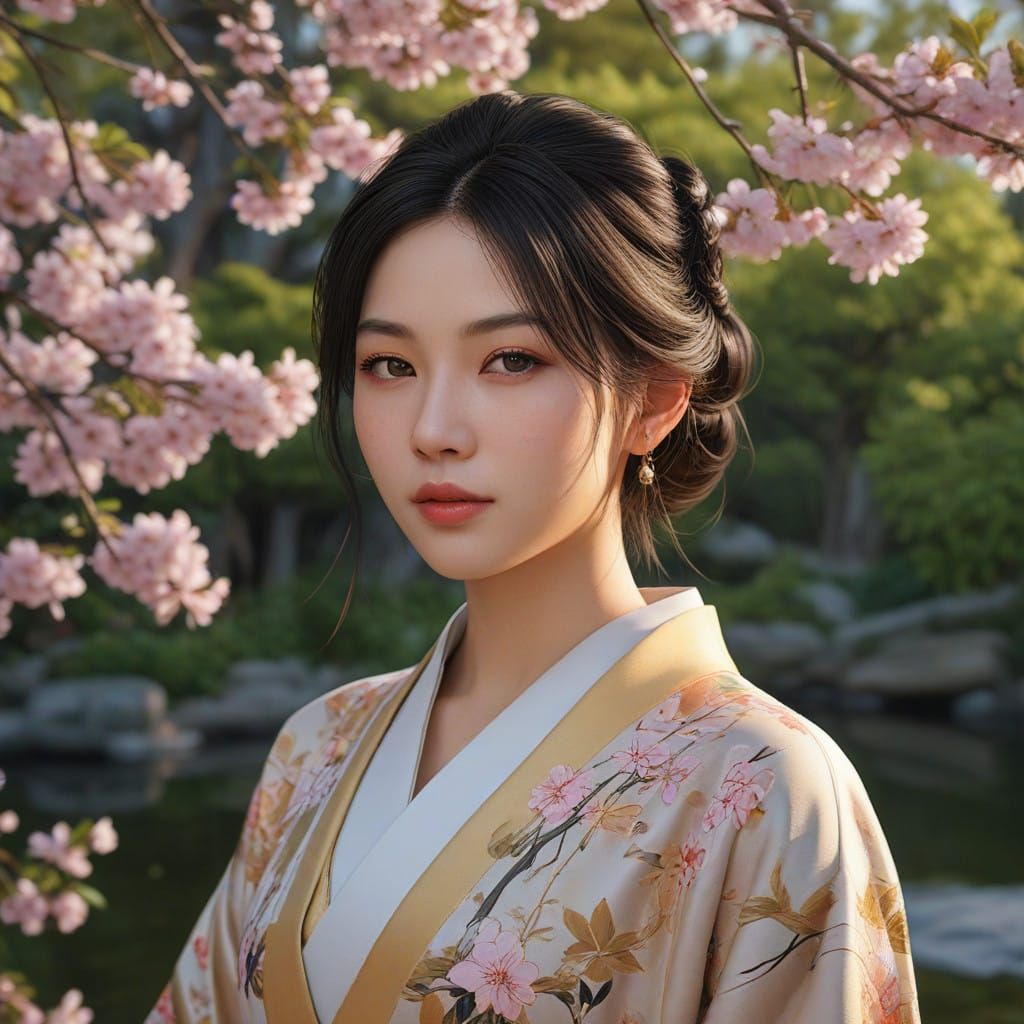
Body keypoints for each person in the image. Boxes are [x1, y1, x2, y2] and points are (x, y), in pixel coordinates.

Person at [145, 91, 921, 1024]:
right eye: (389, 366)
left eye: (510, 360)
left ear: (655, 401)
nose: (433, 431)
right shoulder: (317, 743)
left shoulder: (768, 786)